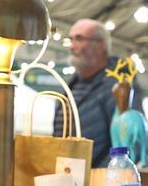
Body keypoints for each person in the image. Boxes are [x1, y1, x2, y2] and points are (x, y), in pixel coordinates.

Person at [56, 18, 137, 167]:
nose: (72, 46)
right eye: (71, 39)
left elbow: (129, 140)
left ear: (101, 45)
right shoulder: (71, 86)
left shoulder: (117, 87)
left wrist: (100, 178)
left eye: (79, 39)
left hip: (97, 182)